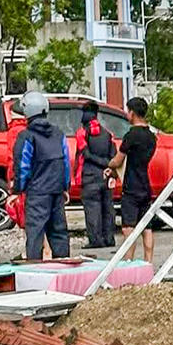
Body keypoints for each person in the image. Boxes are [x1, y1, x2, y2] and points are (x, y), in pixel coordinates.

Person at [11, 91, 71, 260]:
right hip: (57, 191)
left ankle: (34, 269)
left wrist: (17, 190)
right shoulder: (58, 133)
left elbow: (22, 166)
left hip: (37, 193)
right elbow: (66, 162)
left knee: (35, 233)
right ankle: (64, 268)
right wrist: (65, 187)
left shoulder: (26, 136)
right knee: (59, 232)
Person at [109, 97, 157, 265]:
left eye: (127, 110)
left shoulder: (131, 135)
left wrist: (110, 165)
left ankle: (129, 261)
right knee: (147, 226)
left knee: (128, 226)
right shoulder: (151, 136)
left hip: (131, 186)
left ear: (133, 113)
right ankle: (148, 261)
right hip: (145, 184)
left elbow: (118, 160)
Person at [75, 101, 116, 249]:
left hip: (90, 176)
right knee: (107, 208)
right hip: (106, 176)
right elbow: (113, 156)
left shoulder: (82, 133)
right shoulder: (108, 133)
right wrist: (106, 165)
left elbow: (85, 154)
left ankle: (96, 240)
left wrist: (99, 162)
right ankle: (109, 238)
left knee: (92, 208)